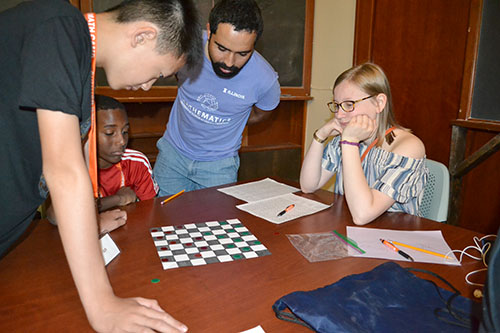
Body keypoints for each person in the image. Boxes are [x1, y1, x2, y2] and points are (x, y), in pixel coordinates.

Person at [0, 0, 201, 332]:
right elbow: (64, 170)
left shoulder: (77, 60)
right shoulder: (60, 26)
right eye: (158, 73)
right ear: (143, 37)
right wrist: (104, 305)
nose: (149, 85)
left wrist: (88, 222)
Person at [153, 0, 281, 196]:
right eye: (222, 49)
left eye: (242, 53)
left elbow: (262, 113)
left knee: (213, 224)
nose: (229, 62)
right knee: (162, 221)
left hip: (219, 166)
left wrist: (229, 120)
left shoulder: (266, 80)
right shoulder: (186, 49)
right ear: (209, 31)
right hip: (172, 156)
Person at [300, 63, 428, 225]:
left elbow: (362, 215)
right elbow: (308, 185)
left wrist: (349, 143)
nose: (339, 114)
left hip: (393, 234)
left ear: (379, 103)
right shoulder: (346, 137)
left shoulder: (409, 147)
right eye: (337, 105)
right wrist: (320, 136)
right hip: (349, 228)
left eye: (349, 104)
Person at [47, 95, 159, 233]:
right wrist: (117, 199)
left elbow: (151, 213)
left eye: (125, 132)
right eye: (109, 133)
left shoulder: (136, 162)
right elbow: (54, 216)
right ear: (87, 133)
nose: (122, 141)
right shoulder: (73, 166)